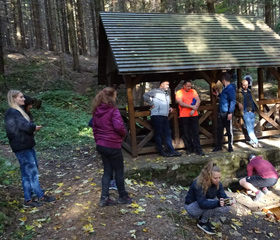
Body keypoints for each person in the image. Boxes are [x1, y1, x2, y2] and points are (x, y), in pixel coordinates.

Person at [4, 90, 55, 208]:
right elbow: (25, 126)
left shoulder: (15, 112)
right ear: (14, 98)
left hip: (25, 145)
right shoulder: (13, 112)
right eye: (21, 97)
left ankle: (29, 198)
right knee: (32, 172)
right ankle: (39, 195)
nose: (23, 99)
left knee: (27, 173)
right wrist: (33, 127)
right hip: (22, 147)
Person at [91, 87, 132, 207]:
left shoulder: (96, 110)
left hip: (101, 145)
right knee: (119, 171)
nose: (116, 97)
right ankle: (122, 196)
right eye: (115, 95)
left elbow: (94, 128)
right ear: (111, 97)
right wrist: (123, 135)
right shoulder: (113, 110)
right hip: (112, 145)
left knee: (107, 171)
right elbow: (119, 127)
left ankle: (104, 198)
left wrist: (98, 140)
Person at [185, 162, 235, 235]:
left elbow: (223, 196)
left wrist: (230, 200)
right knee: (215, 202)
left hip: (205, 204)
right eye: (215, 178)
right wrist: (217, 203)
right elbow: (202, 203)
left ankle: (203, 218)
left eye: (219, 177)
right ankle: (203, 222)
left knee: (227, 207)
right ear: (208, 176)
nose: (218, 180)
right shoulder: (198, 184)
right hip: (192, 207)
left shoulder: (218, 184)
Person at [143, 80, 182, 157]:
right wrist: (151, 104)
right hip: (157, 115)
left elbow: (165, 103)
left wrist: (169, 107)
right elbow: (145, 96)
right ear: (161, 85)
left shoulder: (166, 94)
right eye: (167, 84)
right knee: (159, 134)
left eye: (168, 85)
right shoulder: (155, 91)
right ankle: (161, 150)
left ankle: (171, 150)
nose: (168, 86)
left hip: (165, 116)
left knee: (168, 133)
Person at [176, 80, 204, 156]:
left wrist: (194, 109)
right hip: (184, 115)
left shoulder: (193, 91)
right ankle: (189, 148)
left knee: (195, 132)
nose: (189, 87)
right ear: (184, 86)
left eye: (190, 86)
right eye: (188, 86)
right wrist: (192, 107)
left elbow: (198, 100)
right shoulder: (179, 92)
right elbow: (181, 103)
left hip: (194, 114)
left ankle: (198, 149)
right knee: (186, 132)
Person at [212, 73, 236, 152]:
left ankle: (230, 146)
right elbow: (224, 98)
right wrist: (218, 95)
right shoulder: (225, 88)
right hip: (221, 111)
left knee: (229, 130)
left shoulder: (230, 88)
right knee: (219, 129)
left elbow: (232, 100)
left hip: (227, 112)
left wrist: (230, 112)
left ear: (223, 80)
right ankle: (219, 146)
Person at [236, 80, 263, 148]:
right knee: (249, 129)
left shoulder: (250, 91)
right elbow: (234, 100)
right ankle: (256, 141)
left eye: (247, 85)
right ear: (241, 85)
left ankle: (252, 141)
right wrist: (238, 103)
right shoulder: (239, 93)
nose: (246, 86)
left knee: (251, 128)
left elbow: (253, 100)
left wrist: (255, 110)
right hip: (245, 113)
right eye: (244, 85)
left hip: (252, 112)